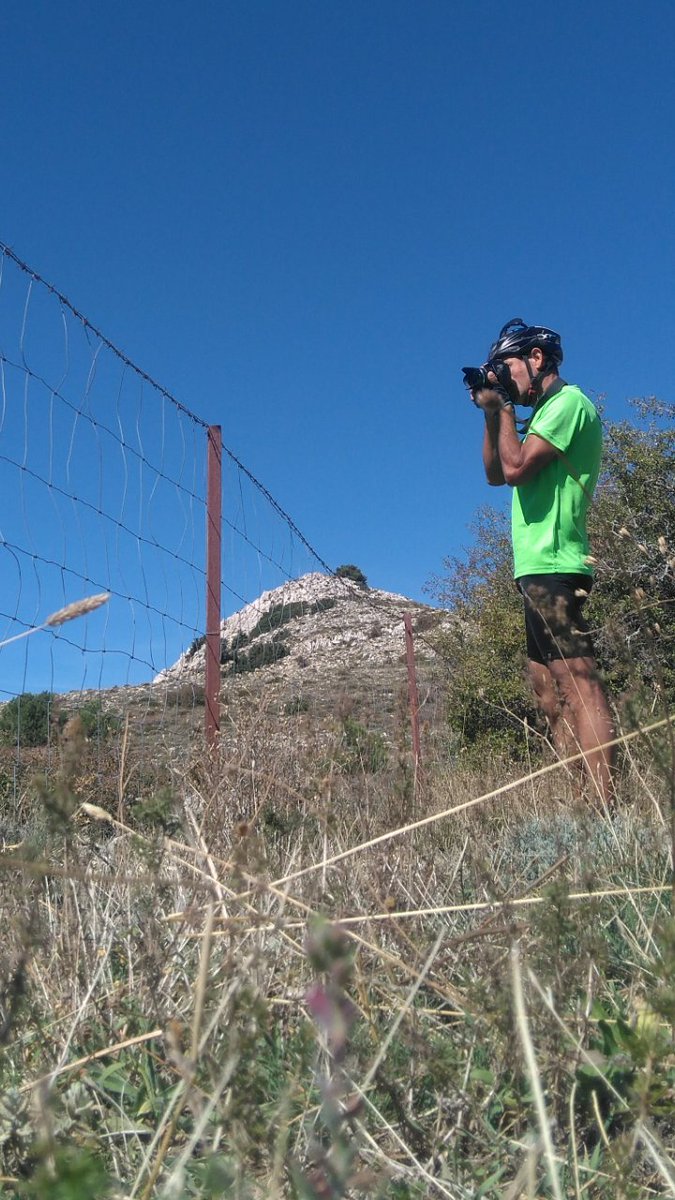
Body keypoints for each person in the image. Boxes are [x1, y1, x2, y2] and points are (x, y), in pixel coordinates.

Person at [466, 318, 615, 804]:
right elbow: (493, 473)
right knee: (548, 692)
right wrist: (494, 414)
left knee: (578, 684)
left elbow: (514, 468)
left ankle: (603, 805)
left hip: (556, 562)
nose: (502, 377)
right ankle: (579, 799)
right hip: (532, 569)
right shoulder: (541, 413)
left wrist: (504, 406)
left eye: (506, 366)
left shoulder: (568, 404)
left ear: (536, 358)